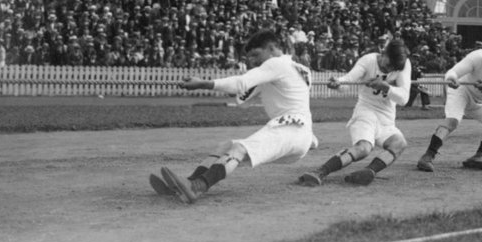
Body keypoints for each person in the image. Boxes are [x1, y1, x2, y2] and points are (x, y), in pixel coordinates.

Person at [151, 30, 317, 204]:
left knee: (239, 148)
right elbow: (243, 99)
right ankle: (189, 182)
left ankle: (197, 187)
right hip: (298, 133)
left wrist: (204, 83)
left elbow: (240, 84)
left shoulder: (275, 64)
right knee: (226, 146)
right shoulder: (298, 68)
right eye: (250, 57)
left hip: (290, 128)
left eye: (256, 54)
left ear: (272, 48)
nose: (253, 61)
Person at [298, 39, 411, 187]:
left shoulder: (402, 64)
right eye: (388, 65)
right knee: (364, 149)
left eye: (393, 69)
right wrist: (338, 83)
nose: (389, 70)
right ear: (384, 52)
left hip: (387, 119)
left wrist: (386, 87)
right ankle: (320, 172)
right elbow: (349, 80)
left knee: (399, 144)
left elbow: (403, 98)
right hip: (366, 112)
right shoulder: (368, 60)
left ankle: (368, 172)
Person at [416, 35, 482, 172]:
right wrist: (452, 79)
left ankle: (479, 157)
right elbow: (453, 72)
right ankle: (428, 156)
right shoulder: (477, 56)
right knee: (453, 121)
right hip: (461, 91)